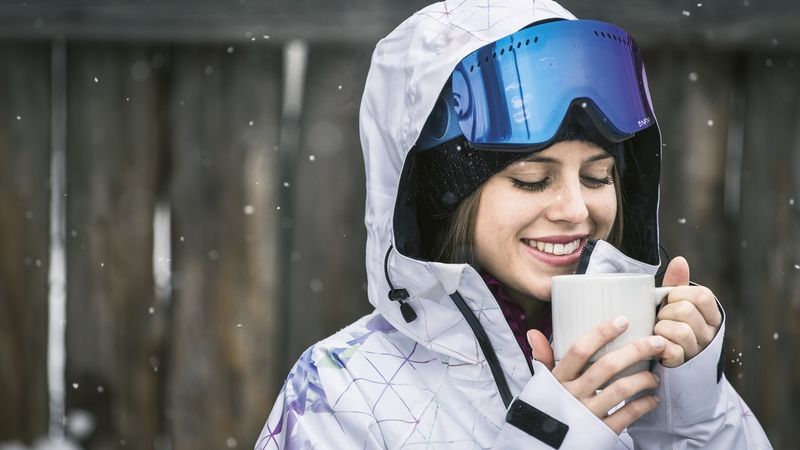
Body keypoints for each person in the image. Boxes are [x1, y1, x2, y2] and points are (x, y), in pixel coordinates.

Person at [255, 0, 772, 448]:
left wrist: (692, 416)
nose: (576, 209)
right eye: (531, 179)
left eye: (597, 176)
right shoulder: (340, 390)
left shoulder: (660, 369)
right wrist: (549, 436)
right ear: (443, 199)